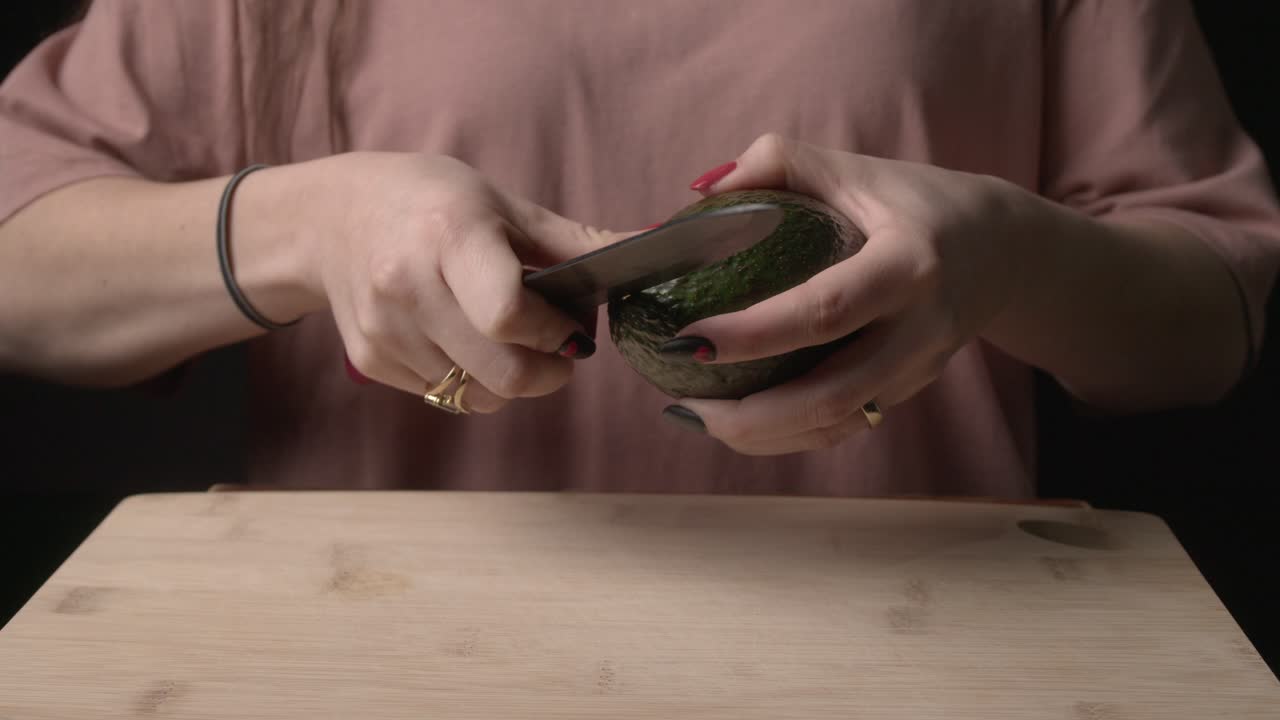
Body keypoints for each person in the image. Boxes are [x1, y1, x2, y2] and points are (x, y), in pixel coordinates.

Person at [0, 0, 1276, 497]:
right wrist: (301, 224)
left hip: (916, 661)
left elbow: (1209, 320)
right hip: (390, 660)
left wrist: (1011, 254)